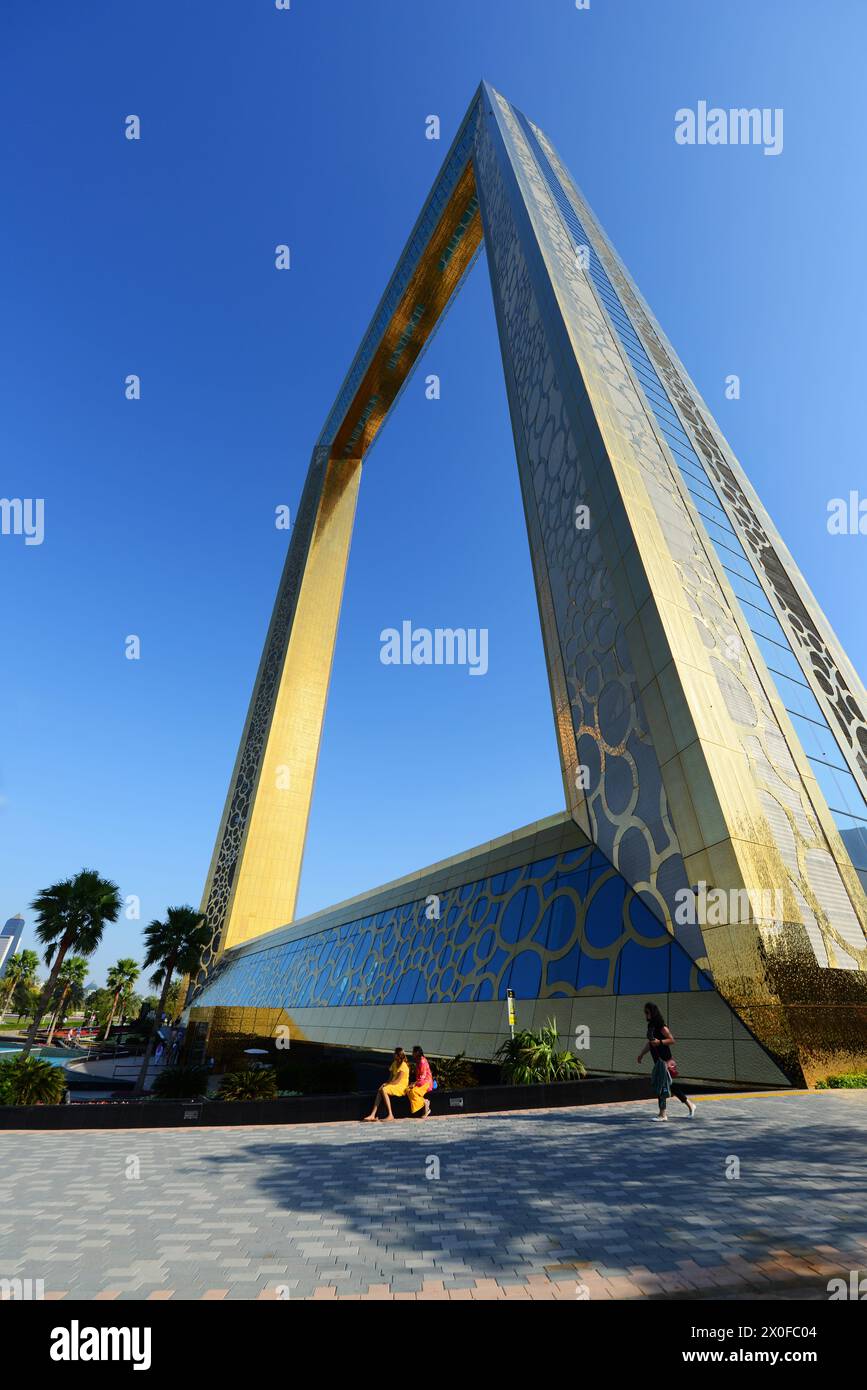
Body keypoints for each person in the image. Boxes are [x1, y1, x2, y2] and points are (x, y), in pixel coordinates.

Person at [637, 1002, 696, 1121]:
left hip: (665, 1060)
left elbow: (672, 1040)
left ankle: (662, 1114)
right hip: (658, 1061)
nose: (646, 1014)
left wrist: (660, 1042)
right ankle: (690, 1105)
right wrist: (641, 1054)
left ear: (653, 1012)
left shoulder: (661, 1026)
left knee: (661, 1084)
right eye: (645, 1012)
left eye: (647, 1012)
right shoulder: (651, 1026)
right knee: (670, 1085)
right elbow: (650, 1043)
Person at [362, 1047, 409, 1121]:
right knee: (380, 1089)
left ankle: (390, 1114)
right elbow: (390, 1078)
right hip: (394, 1085)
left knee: (384, 1089)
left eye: (395, 1054)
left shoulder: (403, 1066)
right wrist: (386, 1083)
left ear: (398, 1055)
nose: (393, 1055)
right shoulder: (394, 1063)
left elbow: (397, 1081)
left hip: (401, 1087)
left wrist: (386, 1085)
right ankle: (372, 1115)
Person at [406, 1045, 433, 1119]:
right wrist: (413, 1083)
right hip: (420, 1082)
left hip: (426, 1083)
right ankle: (425, 1102)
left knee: (413, 1091)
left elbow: (423, 1077)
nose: (412, 1054)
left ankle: (425, 1102)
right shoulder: (418, 1061)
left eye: (413, 1052)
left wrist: (414, 1083)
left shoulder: (422, 1061)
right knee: (408, 1090)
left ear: (417, 1052)